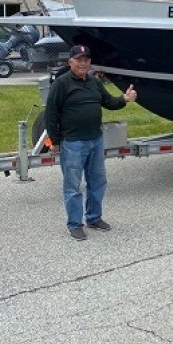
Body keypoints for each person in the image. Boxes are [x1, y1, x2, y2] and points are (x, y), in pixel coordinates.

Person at [45, 44, 137, 240]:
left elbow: (109, 103)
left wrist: (125, 98)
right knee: (73, 186)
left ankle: (94, 218)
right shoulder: (61, 84)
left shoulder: (95, 83)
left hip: (95, 141)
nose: (83, 63)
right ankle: (75, 224)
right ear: (70, 62)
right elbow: (51, 114)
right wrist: (54, 141)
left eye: (86, 59)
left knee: (98, 182)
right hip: (73, 143)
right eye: (79, 60)